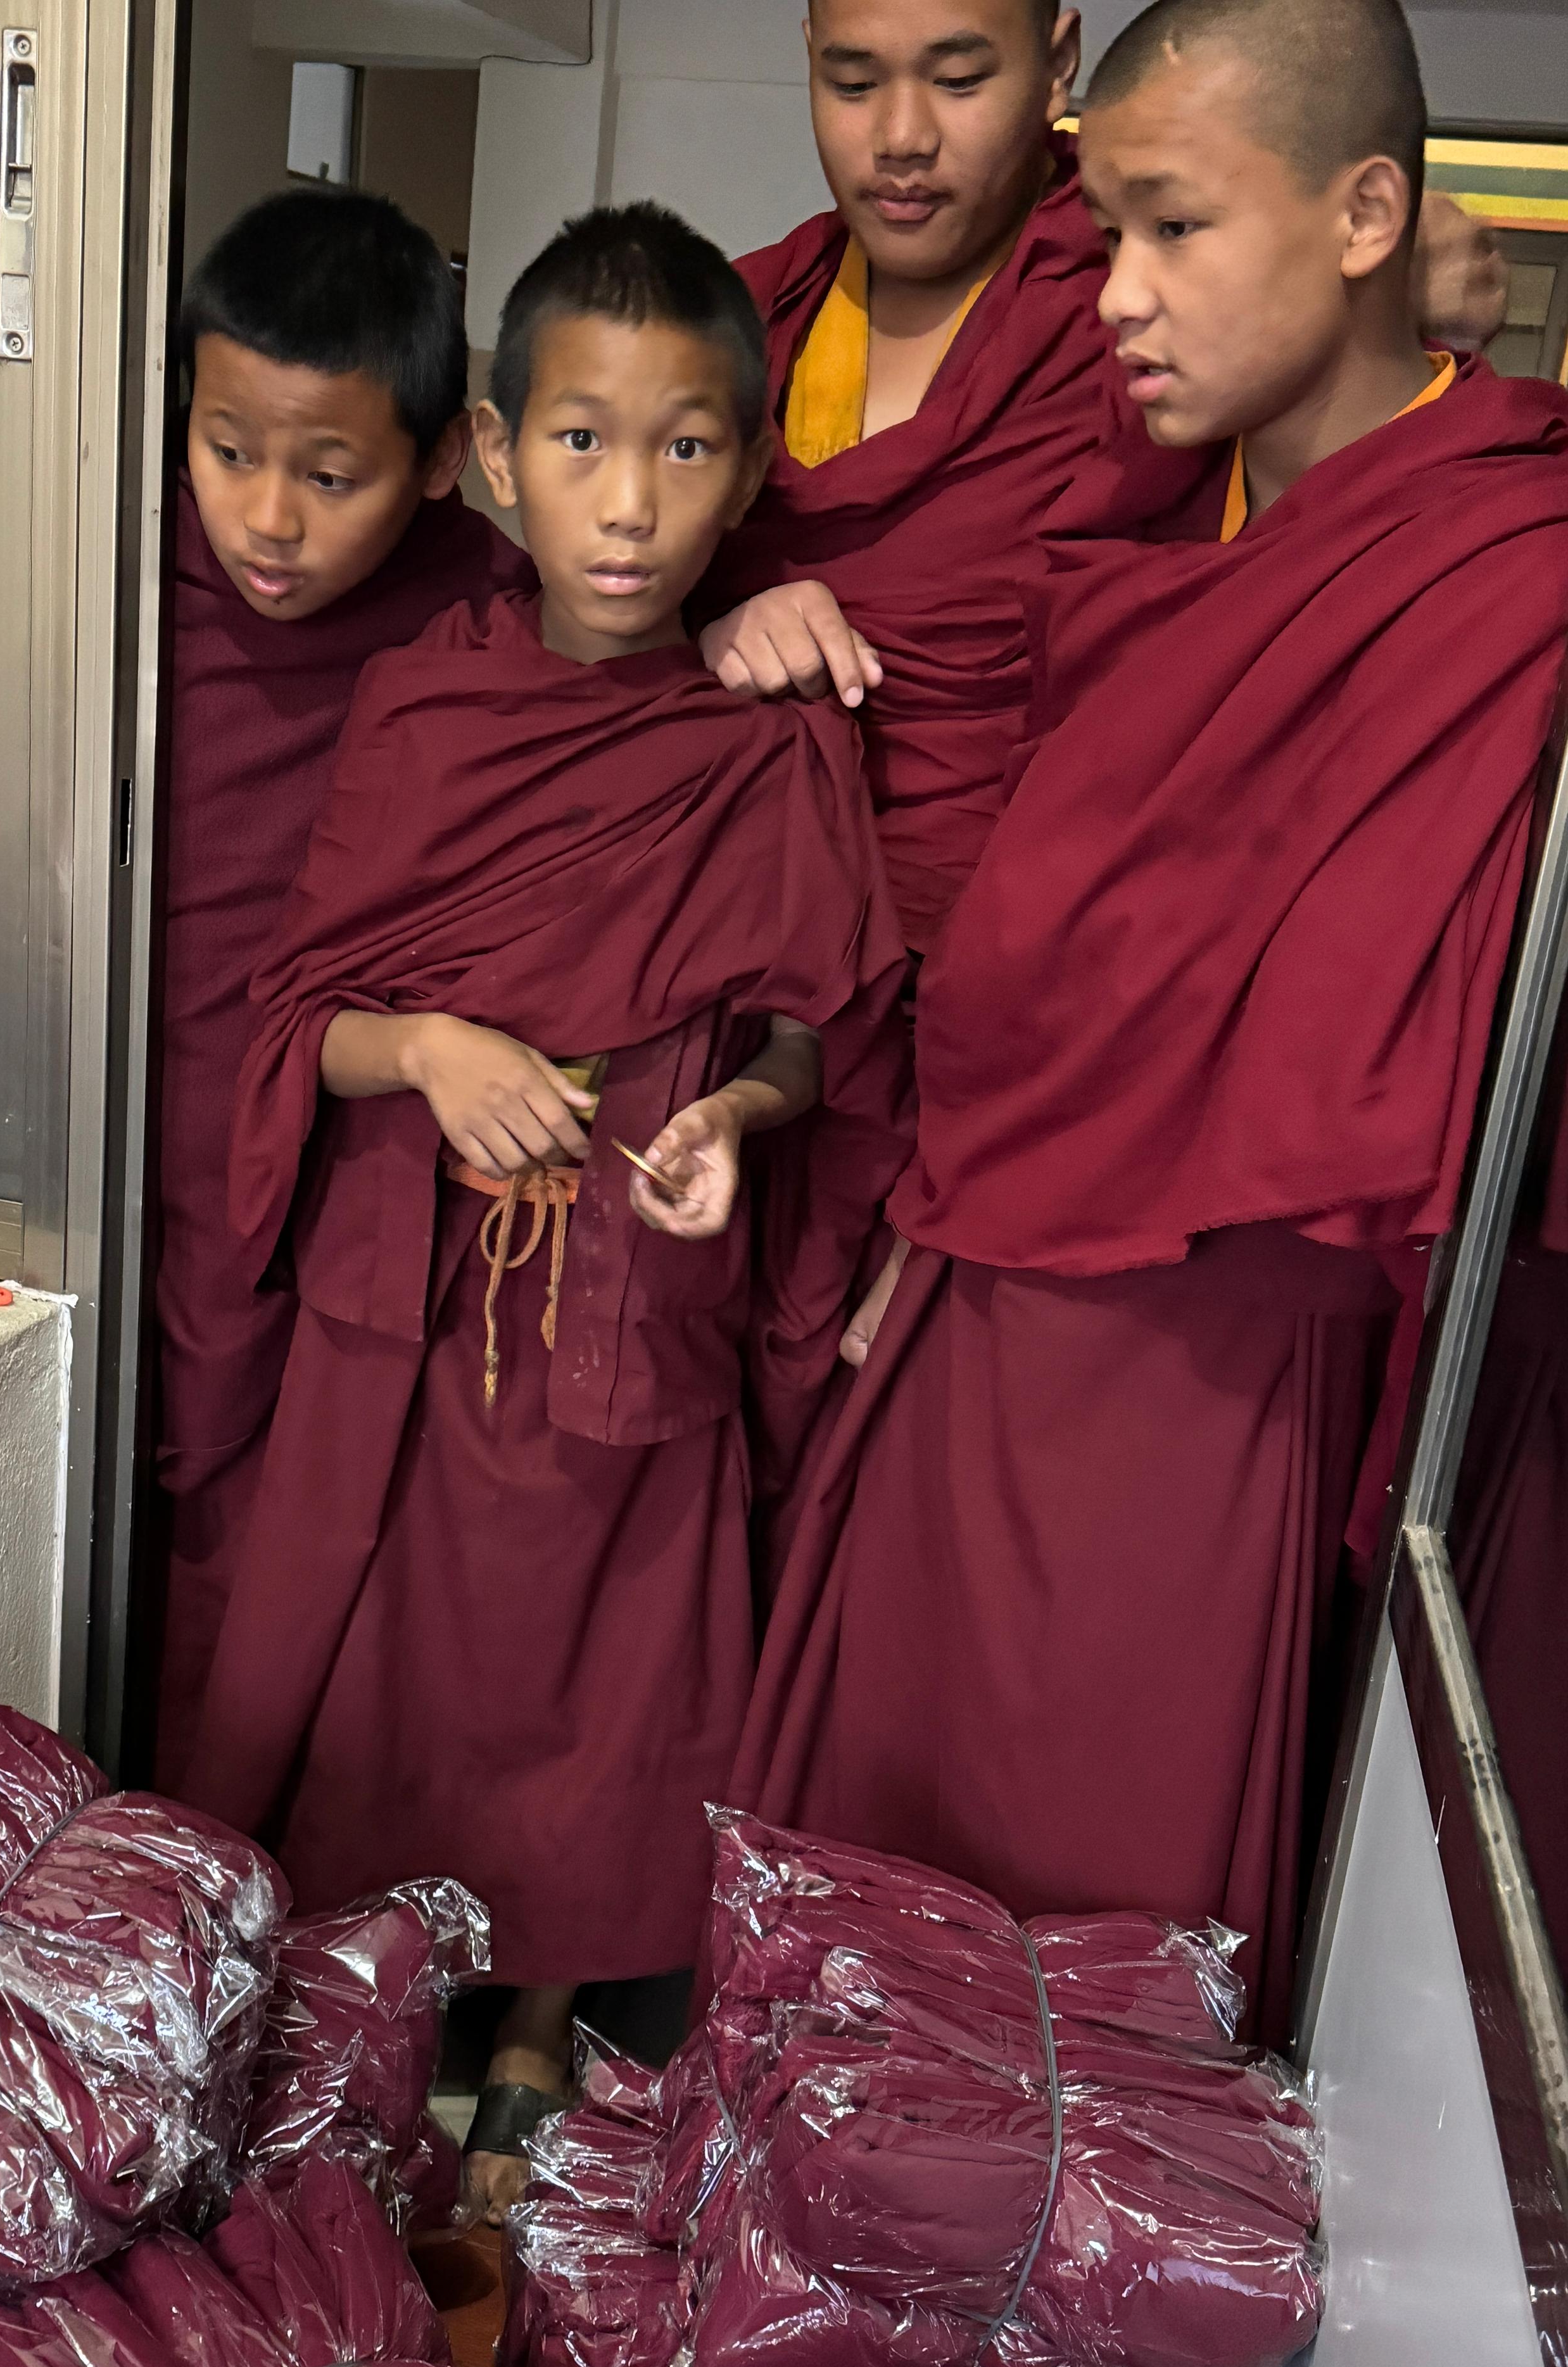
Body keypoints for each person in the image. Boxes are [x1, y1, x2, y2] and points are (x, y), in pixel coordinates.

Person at [728, 0, 1568, 2046]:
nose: (1119, 298)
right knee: (864, 1971)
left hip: (1226, 1403)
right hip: (968, 1325)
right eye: (1107, 235)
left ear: (1368, 213)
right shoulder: (1138, 531)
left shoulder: (1513, 566)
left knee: (1096, 2037)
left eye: (1176, 230)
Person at [176, 205, 907, 2216]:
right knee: (395, 1688)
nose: (629, 503)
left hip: (632, 1309)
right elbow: (291, 1023)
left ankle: (543, 2023)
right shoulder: (425, 707)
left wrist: (744, 1125)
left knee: (595, 1702)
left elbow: (813, 1041)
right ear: (493, 457)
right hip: (405, 1319)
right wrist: (421, 1046)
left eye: (686, 450)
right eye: (582, 442)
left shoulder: (766, 750)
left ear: (746, 477)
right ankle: (378, 2025)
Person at [697, 0, 1509, 959]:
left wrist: (1367, 271)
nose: (901, 138)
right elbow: (585, 637)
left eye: (960, 82)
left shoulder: (1175, 305)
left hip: (1058, 954)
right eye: (852, 82)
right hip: (754, 952)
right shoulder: (734, 322)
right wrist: (697, 637)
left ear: (1057, 63)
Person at [151, 190, 531, 1783]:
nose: (267, 523)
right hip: (138, 1118)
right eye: (229, 450)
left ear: (441, 459)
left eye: (331, 475)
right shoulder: (102, 581)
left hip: (339, 1152)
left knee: (265, 1540)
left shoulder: (485, 619)